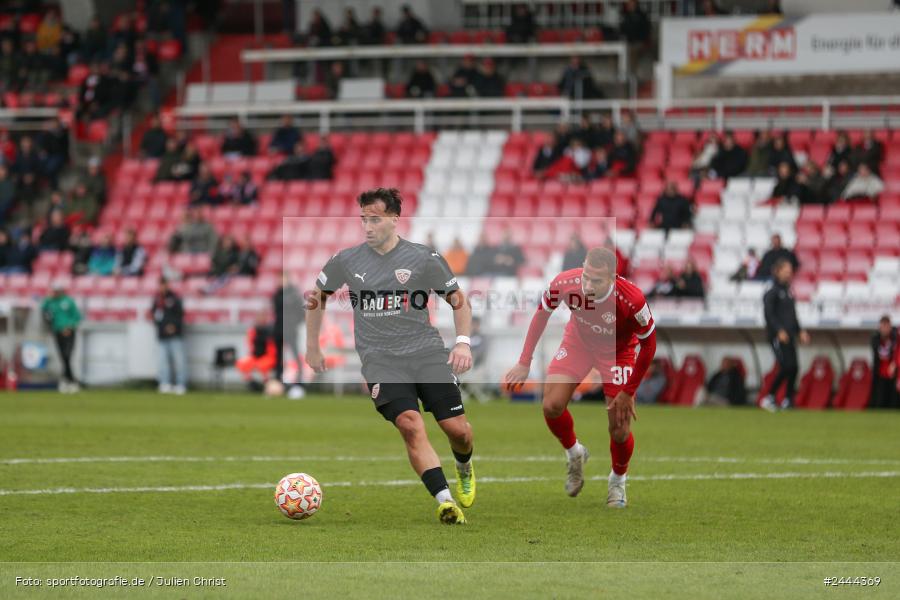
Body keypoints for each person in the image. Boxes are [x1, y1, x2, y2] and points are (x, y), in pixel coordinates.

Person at [307, 187, 475, 525]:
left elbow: (459, 299)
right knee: (410, 425)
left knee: (457, 430)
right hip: (380, 359)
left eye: (375, 219)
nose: (367, 226)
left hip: (426, 353)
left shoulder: (423, 257)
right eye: (363, 219)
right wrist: (313, 345)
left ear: (394, 219)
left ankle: (464, 466)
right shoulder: (346, 260)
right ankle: (445, 501)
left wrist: (462, 342)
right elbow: (317, 297)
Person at [504, 247, 657, 507]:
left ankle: (617, 482)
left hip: (618, 353)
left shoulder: (632, 300)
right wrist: (524, 361)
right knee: (551, 406)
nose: (587, 284)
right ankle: (575, 453)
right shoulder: (565, 282)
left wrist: (628, 391)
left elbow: (649, 345)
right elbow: (542, 314)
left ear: (613, 278)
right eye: (586, 275)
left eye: (596, 280)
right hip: (579, 343)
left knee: (619, 428)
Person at [760, 259, 810, 411]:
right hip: (778, 337)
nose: (789, 274)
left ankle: (788, 399)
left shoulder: (788, 292)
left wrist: (800, 331)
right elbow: (769, 315)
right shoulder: (772, 292)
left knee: (794, 367)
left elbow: (793, 316)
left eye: (790, 271)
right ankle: (769, 397)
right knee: (785, 366)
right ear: (778, 271)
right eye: (786, 271)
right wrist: (779, 330)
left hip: (790, 336)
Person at [42, 281, 82, 393]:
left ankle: (69, 380)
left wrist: (69, 327)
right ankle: (69, 380)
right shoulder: (51, 302)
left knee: (67, 355)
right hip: (57, 331)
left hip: (69, 332)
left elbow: (76, 316)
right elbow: (43, 308)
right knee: (63, 356)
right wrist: (47, 299)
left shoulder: (68, 301)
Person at [151, 278, 187, 395]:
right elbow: (154, 315)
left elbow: (180, 314)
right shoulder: (157, 299)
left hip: (175, 334)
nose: (162, 287)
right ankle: (164, 383)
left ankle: (180, 384)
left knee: (179, 360)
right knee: (163, 361)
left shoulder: (175, 298)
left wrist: (173, 326)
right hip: (162, 335)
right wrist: (160, 326)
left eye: (164, 285)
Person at [273, 272, 306, 399]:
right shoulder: (277, 294)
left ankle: (299, 383)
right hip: (279, 329)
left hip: (291, 330)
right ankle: (277, 383)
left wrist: (293, 324)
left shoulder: (294, 295)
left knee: (295, 357)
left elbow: (301, 313)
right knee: (278, 358)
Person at [237, 311, 278, 390]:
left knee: (262, 366)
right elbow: (250, 346)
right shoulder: (253, 331)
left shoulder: (271, 331)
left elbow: (273, 349)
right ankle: (251, 382)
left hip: (268, 357)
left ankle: (266, 385)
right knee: (241, 363)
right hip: (255, 357)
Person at [870, 316, 899, 409]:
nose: (885, 329)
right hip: (880, 375)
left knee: (894, 403)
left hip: (894, 375)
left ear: (890, 327)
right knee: (880, 402)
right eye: (883, 326)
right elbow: (879, 354)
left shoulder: (896, 338)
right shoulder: (875, 339)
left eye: (887, 326)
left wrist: (894, 363)